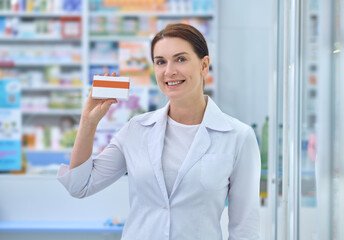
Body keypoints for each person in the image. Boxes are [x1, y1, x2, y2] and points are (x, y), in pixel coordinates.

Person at [57, 23, 261, 240]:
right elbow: (80, 186)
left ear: (204, 65)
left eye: (180, 59)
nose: (169, 71)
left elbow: (244, 229)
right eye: (160, 62)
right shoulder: (136, 129)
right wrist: (88, 123)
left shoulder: (238, 137)